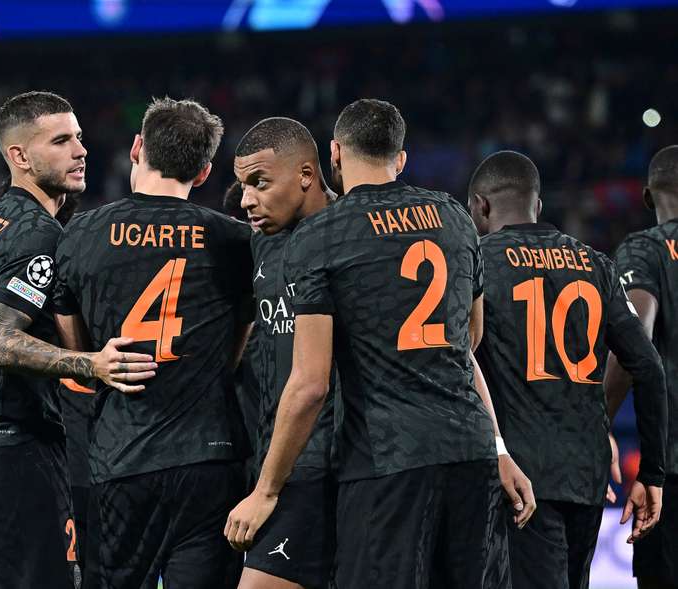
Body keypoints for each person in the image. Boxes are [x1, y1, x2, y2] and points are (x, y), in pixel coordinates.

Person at [226, 98, 535, 588]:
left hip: (386, 459)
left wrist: (265, 491)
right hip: (470, 451)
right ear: (402, 158)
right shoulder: (454, 216)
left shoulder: (323, 235)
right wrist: (498, 448)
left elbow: (310, 383)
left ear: (333, 155)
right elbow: (468, 341)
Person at [0, 90, 156, 589]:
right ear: (20, 157)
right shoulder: (39, 234)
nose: (81, 150)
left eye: (78, 137)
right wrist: (90, 363)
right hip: (12, 452)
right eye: (61, 140)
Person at [53, 97, 254, 588]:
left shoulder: (82, 232)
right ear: (205, 172)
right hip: (210, 456)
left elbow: (74, 350)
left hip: (119, 457)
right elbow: (237, 347)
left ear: (137, 148)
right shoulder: (234, 240)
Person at [469, 150, 668, 589]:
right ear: (537, 205)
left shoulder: (478, 261)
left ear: (480, 206)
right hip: (587, 475)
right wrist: (652, 472)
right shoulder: (596, 263)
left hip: (518, 479)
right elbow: (649, 366)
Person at [229, 117, 336, 589]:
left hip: (323, 467)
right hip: (278, 463)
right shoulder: (263, 245)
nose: (248, 199)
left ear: (307, 175)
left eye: (259, 183)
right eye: (243, 185)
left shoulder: (351, 239)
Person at [607, 145, 678, 589]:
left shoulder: (645, 249)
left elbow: (637, 339)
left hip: (670, 472)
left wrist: (596, 420)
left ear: (648, 196)